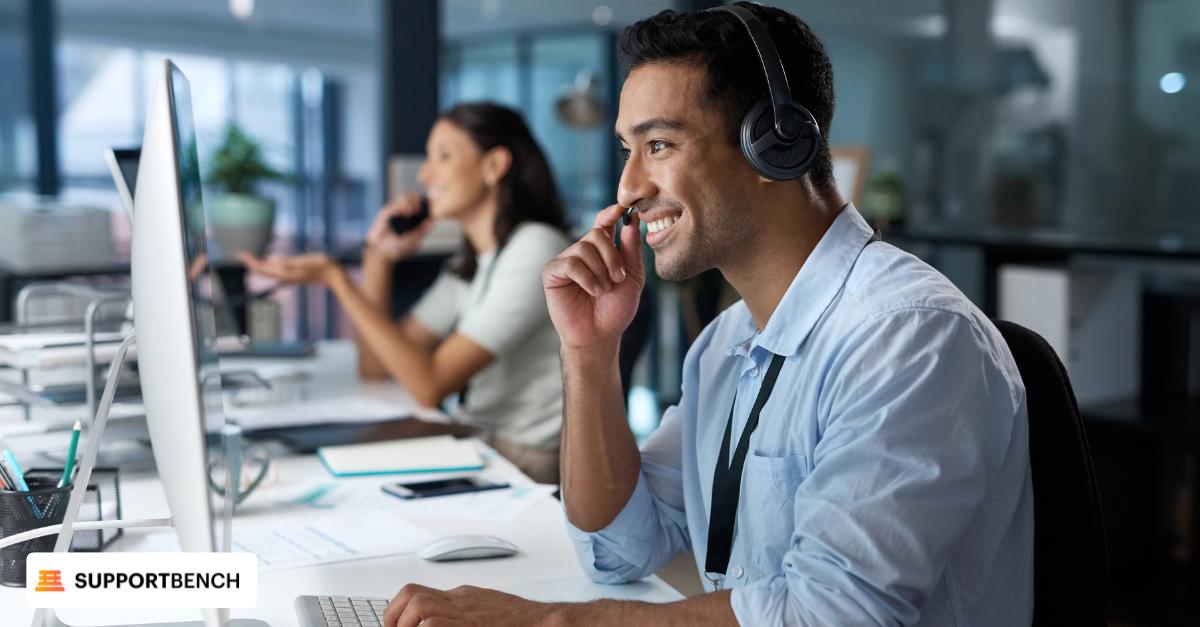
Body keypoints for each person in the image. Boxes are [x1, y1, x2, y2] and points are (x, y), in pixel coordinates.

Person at [381, 3, 1033, 625]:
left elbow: (830, 615)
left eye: (659, 144)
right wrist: (589, 356)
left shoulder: (908, 337)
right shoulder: (726, 344)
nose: (628, 189)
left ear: (775, 146)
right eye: (625, 151)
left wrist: (544, 620)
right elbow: (617, 549)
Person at [241, 102, 572, 483]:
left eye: (443, 156)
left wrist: (336, 279)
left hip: (522, 460)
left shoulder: (535, 249)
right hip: (480, 442)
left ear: (493, 166)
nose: (425, 174)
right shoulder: (473, 261)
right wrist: (379, 259)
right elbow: (377, 368)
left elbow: (428, 384)